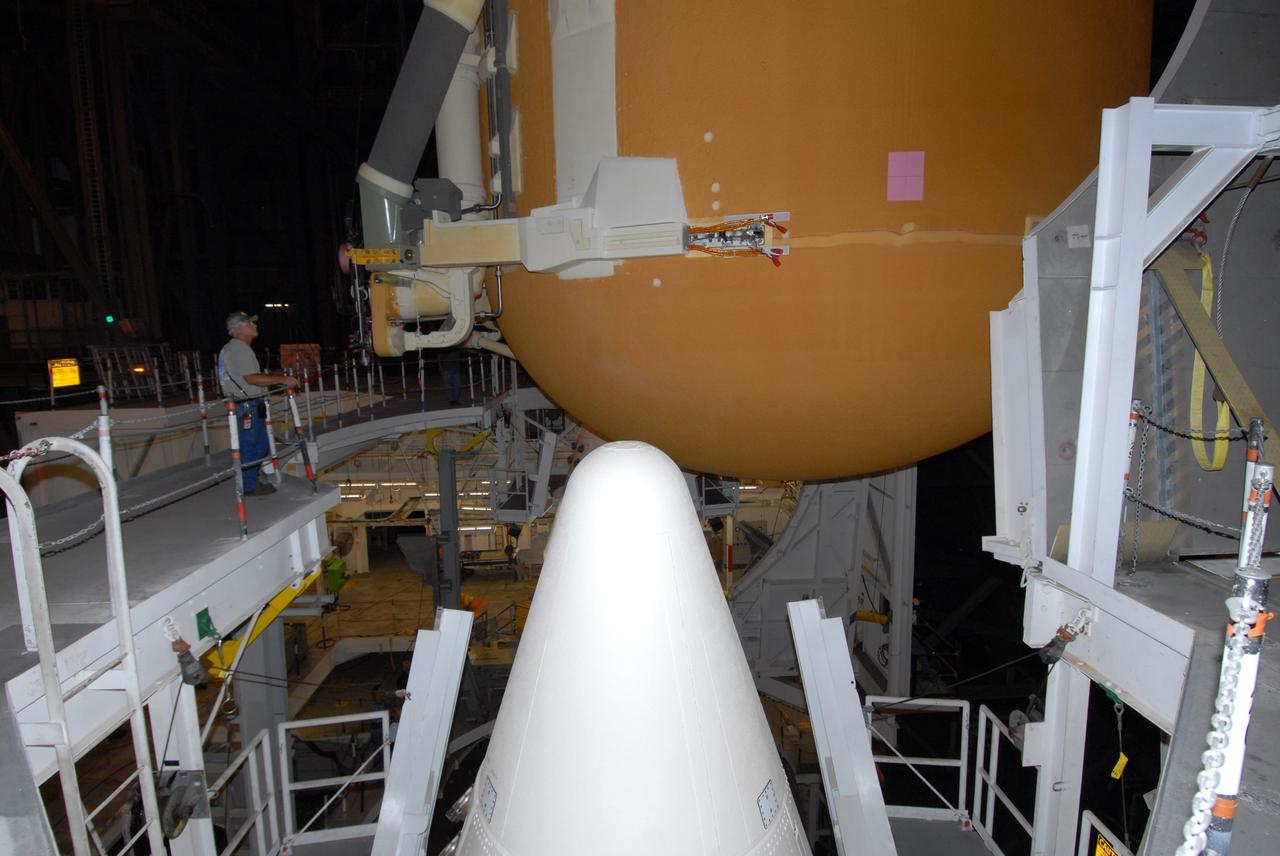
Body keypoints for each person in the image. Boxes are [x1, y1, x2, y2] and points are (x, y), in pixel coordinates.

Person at [218, 311, 298, 495]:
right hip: (247, 405)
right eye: (249, 324)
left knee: (257, 443)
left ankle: (251, 477)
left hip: (241, 404)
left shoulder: (230, 348)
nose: (255, 326)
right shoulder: (240, 349)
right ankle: (249, 484)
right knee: (253, 445)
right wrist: (282, 379)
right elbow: (251, 378)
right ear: (239, 329)